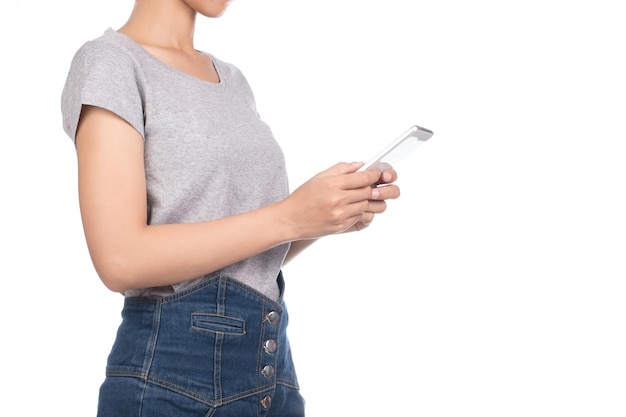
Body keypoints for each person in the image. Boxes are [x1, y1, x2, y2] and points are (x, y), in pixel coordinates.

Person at [61, 0, 400, 415]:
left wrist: (321, 219)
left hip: (273, 372)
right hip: (173, 381)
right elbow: (120, 258)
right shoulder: (111, 62)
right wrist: (291, 215)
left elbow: (241, 250)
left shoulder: (233, 80)